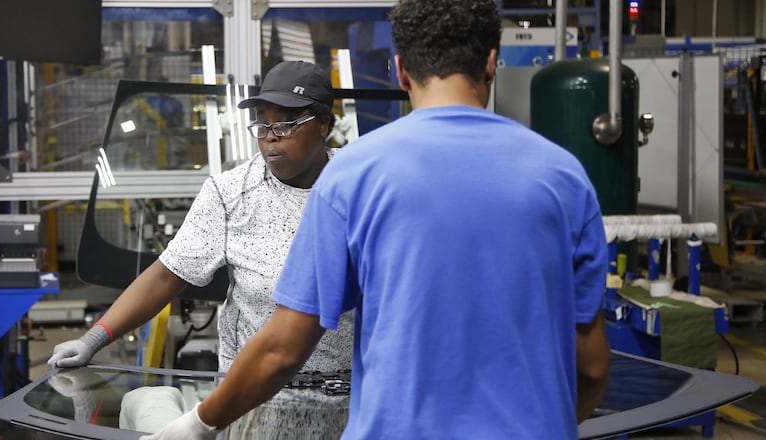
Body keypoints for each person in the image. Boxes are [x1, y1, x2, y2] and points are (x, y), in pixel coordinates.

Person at [141, 0, 611, 438]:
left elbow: (282, 350)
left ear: (401, 70)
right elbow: (591, 367)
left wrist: (200, 423)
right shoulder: (564, 177)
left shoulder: (353, 176)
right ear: (491, 62)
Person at [47, 60, 354, 438]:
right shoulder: (233, 193)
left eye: (286, 123)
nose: (270, 137)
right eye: (262, 124)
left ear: (323, 125)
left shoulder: (359, 188)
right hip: (253, 402)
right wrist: (92, 339)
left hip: (347, 400)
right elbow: (165, 276)